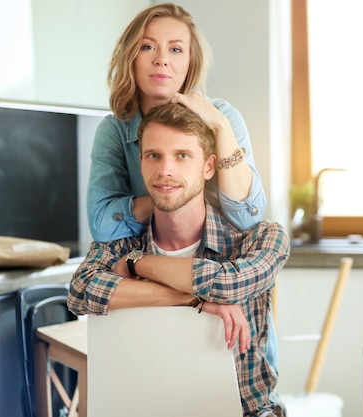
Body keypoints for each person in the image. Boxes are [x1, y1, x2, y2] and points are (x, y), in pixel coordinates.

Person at [86, 2, 278, 369]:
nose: (162, 60)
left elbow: (247, 213)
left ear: (190, 61)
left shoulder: (223, 117)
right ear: (132, 56)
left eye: (176, 49)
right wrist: (168, 195)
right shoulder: (113, 131)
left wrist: (219, 127)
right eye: (148, 47)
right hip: (148, 289)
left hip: (222, 286)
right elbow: (102, 223)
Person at [69, 103, 290, 416]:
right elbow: (80, 290)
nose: (165, 170)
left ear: (209, 167)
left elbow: (229, 284)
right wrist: (197, 302)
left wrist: (137, 266)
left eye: (182, 156)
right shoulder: (122, 243)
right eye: (153, 156)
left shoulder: (259, 239)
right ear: (142, 164)